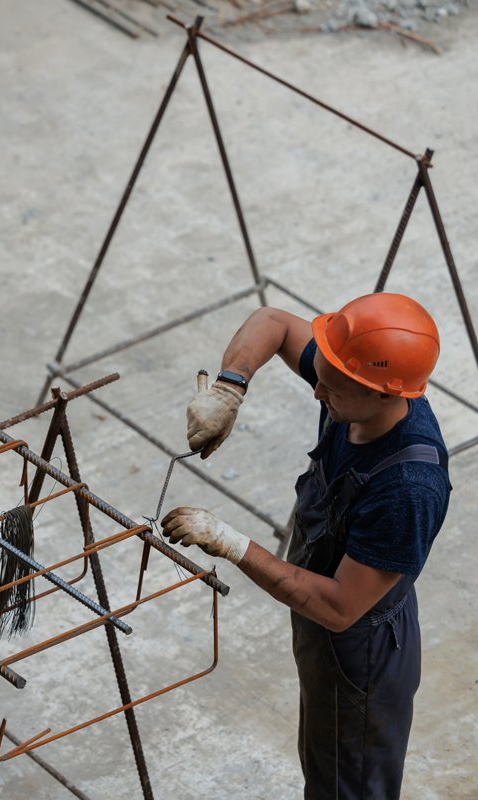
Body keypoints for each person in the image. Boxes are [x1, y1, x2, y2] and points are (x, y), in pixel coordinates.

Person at [161, 293, 451, 799]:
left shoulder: (407, 487)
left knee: (348, 786)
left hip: (361, 650)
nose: (317, 390)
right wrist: (230, 388)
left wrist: (229, 542)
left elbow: (339, 608)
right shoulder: (350, 385)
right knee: (324, 767)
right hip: (322, 623)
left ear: (384, 394)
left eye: (333, 387)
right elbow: (272, 320)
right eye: (322, 374)